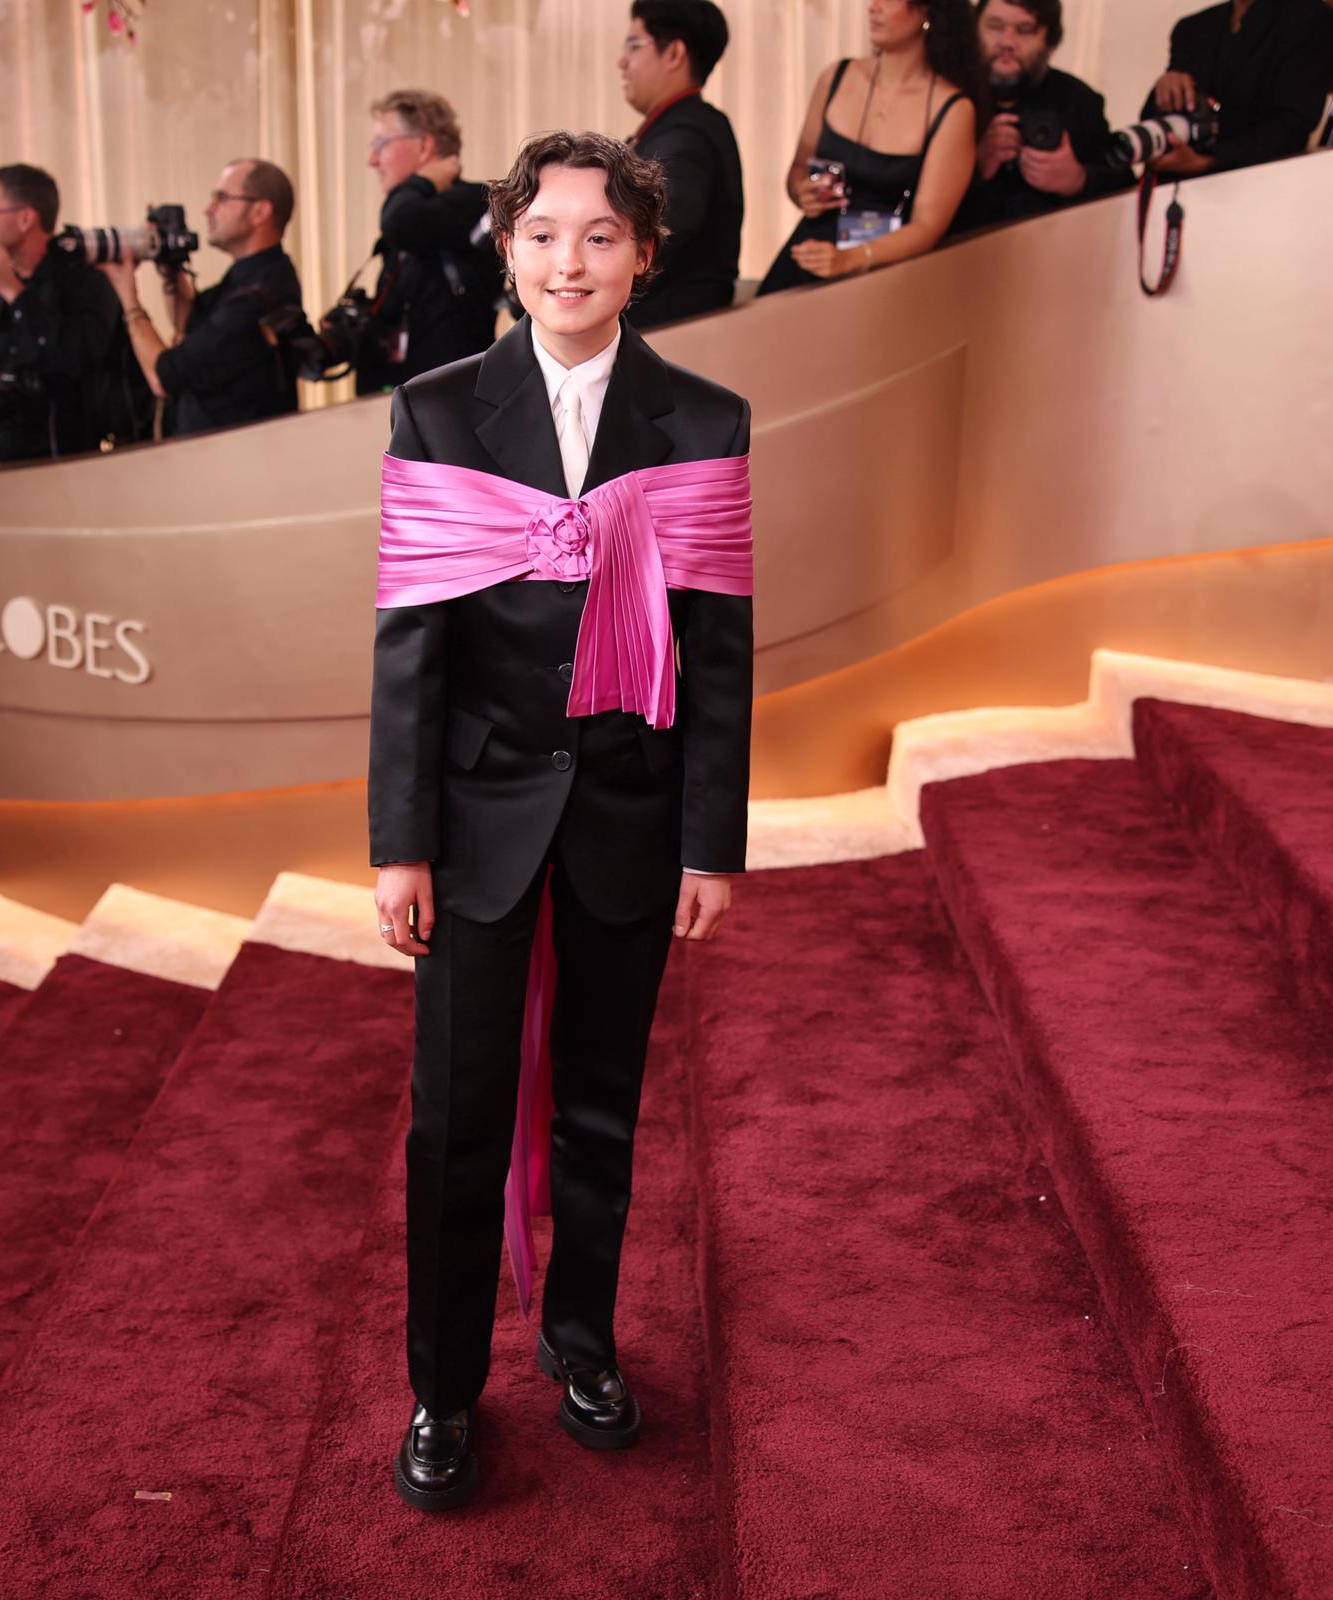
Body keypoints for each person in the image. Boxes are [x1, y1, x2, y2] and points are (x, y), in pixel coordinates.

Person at [369, 129, 753, 1511]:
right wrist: (397, 841)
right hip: (475, 815)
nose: (567, 261)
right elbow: (410, 648)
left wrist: (712, 841)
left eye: (599, 236)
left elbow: (717, 648)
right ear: (507, 249)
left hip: (630, 818)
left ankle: (581, 1343)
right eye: (541, 234)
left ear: (645, 254)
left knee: (603, 1106)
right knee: (454, 1118)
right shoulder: (438, 411)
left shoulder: (705, 423)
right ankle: (443, 1390)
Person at [757, 0, 981, 295]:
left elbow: (928, 226)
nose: (873, 7)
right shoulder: (837, 76)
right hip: (811, 254)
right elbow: (798, 169)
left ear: (927, 11)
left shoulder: (952, 108)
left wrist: (851, 258)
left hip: (885, 273)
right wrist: (803, 191)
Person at [101, 158, 303, 437]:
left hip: (236, 463)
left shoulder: (259, 296)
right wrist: (169, 267)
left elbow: (163, 377)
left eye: (222, 198)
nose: (208, 210)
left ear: (260, 211)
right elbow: (190, 323)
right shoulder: (250, 277)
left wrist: (127, 293)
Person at [0, 163, 136, 463]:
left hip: (74, 461)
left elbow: (72, 360)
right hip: (12, 456)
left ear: (26, 218)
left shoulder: (84, 279)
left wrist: (14, 291)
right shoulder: (13, 286)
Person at [357, 90, 500, 395]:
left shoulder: (472, 202)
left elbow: (400, 222)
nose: (372, 160)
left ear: (424, 145)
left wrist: (421, 181)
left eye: (381, 145)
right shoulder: (416, 219)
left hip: (452, 409)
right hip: (402, 406)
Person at [952, 0, 1130, 236]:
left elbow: (1126, 188)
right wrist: (974, 164)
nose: (1007, 42)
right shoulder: (947, 94)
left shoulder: (1078, 99)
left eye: (1025, 30)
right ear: (974, 31)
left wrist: (1077, 180)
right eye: (995, 27)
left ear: (1049, 40)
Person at [619, 0, 745, 327]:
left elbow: (658, 234)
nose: (622, 62)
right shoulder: (686, 126)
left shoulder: (684, 138)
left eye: (634, 46)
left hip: (669, 336)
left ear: (674, 54)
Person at [1140, 0, 1333, 179]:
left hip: (1261, 187)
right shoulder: (1192, 28)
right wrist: (1166, 86)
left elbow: (1292, 125)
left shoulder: (1309, 18)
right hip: (1176, 194)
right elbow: (1157, 120)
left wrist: (1210, 161)